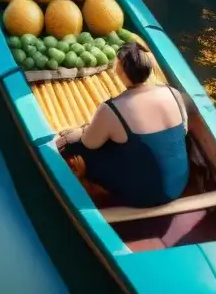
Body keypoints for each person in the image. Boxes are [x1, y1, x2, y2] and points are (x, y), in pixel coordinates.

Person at [57, 43, 189, 208]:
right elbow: (183, 130)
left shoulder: (111, 108)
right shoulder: (173, 93)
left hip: (142, 196)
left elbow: (90, 143)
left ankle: (88, 184)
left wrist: (77, 133)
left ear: (120, 71)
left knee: (79, 148)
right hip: (178, 187)